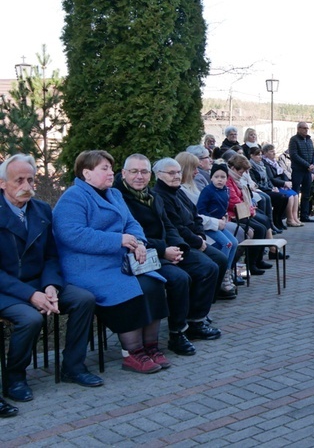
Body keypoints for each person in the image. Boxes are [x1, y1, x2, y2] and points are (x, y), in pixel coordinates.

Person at [53, 150, 170, 374]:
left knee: (153, 284)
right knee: (127, 288)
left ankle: (150, 347)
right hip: (86, 267)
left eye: (110, 168)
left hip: (117, 262)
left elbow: (132, 224)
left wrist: (140, 242)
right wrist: (118, 240)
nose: (111, 173)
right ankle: (132, 353)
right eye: (104, 168)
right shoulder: (73, 197)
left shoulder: (114, 194)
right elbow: (72, 234)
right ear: (87, 174)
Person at [0, 155, 101, 409]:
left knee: (83, 299)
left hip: (39, 283)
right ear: (2, 183)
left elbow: (51, 256)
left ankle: (72, 367)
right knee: (30, 318)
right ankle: (15, 379)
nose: (27, 185)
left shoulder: (42, 209)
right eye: (19, 180)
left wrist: (50, 286)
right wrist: (31, 295)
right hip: (6, 288)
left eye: (31, 179)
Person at [115, 154, 222, 354]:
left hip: (165, 249)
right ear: (123, 174)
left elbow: (168, 225)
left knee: (208, 267)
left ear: (150, 175)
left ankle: (196, 321)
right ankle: (177, 333)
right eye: (134, 172)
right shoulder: (119, 198)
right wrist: (164, 250)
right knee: (179, 278)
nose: (140, 176)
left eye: (144, 172)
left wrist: (179, 248)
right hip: (140, 255)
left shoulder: (152, 196)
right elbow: (131, 236)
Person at [151, 157, 234, 302]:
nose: (176, 176)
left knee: (220, 259)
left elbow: (195, 215)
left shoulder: (178, 191)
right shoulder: (160, 196)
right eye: (171, 173)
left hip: (195, 237)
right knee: (209, 266)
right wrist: (198, 241)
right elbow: (176, 226)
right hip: (181, 243)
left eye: (178, 172)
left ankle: (207, 303)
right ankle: (196, 313)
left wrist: (200, 235)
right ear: (159, 175)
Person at [195, 162, 241, 296]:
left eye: (223, 177)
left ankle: (227, 270)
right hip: (209, 224)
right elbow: (200, 211)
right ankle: (222, 274)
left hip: (220, 223)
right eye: (216, 177)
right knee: (226, 243)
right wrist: (214, 220)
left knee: (234, 242)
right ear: (211, 178)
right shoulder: (207, 191)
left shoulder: (225, 190)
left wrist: (224, 215)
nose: (220, 180)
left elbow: (223, 206)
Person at [246, 146, 289, 231]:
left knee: (285, 197)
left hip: (268, 188)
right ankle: (271, 223)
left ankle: (278, 220)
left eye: (261, 155)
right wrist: (269, 189)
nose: (260, 157)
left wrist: (273, 187)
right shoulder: (250, 167)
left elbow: (268, 179)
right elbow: (256, 183)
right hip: (262, 190)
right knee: (276, 197)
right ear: (251, 156)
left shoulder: (262, 165)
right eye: (258, 155)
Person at [262, 144, 303, 227]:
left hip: (282, 184)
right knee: (290, 197)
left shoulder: (275, 162)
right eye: (271, 151)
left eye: (274, 151)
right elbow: (271, 178)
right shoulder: (265, 163)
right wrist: (283, 183)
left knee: (295, 195)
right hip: (275, 186)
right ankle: (290, 219)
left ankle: (295, 217)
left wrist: (287, 181)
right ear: (265, 153)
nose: (274, 153)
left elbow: (282, 173)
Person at [288, 121, 314, 223]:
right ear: (299, 129)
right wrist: (307, 165)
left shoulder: (309, 140)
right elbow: (294, 155)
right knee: (295, 193)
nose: (306, 130)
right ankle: (294, 216)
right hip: (298, 170)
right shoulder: (294, 140)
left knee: (306, 194)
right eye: (304, 128)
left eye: (307, 128)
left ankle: (304, 215)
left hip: (308, 171)